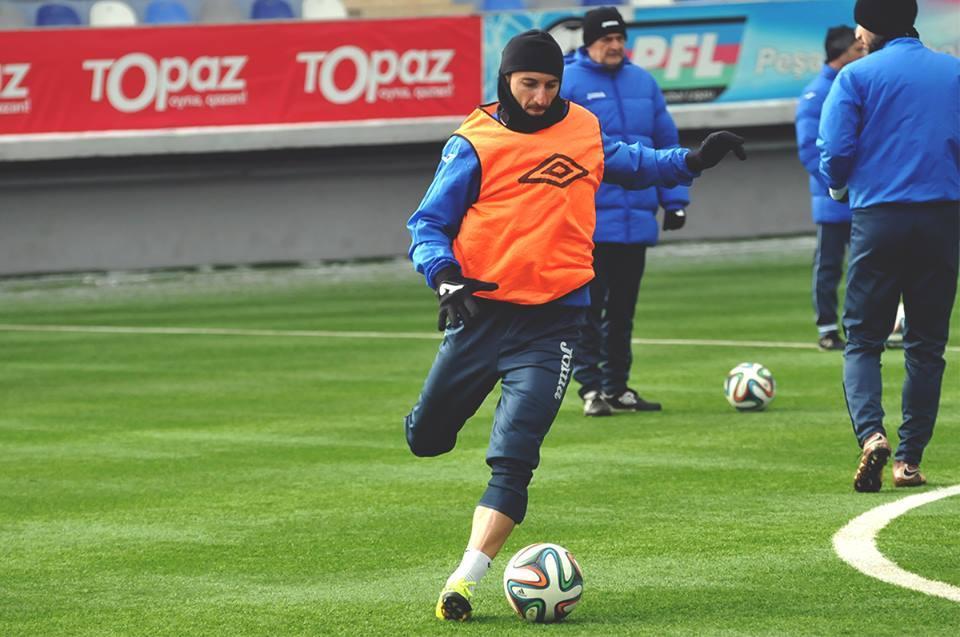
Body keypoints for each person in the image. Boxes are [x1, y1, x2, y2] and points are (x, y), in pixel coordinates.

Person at [404, 30, 746, 621]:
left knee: (515, 459)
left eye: (549, 85)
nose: (540, 98)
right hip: (482, 315)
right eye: (528, 84)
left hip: (556, 322)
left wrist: (690, 161)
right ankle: (438, 426)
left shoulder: (583, 128)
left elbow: (632, 161)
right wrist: (444, 276)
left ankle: (463, 581)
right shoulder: (473, 143)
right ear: (505, 81)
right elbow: (427, 224)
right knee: (427, 439)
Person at [818, 0, 959, 492]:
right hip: (942, 218)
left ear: (873, 26)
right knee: (927, 346)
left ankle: (872, 434)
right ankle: (908, 461)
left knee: (863, 340)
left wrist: (838, 186)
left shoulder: (855, 76)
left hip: (879, 219)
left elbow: (835, 150)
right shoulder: (953, 71)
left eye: (862, 24)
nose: (858, 34)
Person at [561, 6, 688, 416]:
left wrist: (675, 200)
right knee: (588, 310)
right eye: (606, 39)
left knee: (622, 312)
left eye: (619, 38)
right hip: (589, 223)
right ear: (589, 43)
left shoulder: (643, 82)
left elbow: (665, 143)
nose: (615, 45)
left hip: (636, 221)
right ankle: (591, 389)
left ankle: (617, 387)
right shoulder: (569, 83)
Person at [795, 26, 865, 351]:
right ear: (842, 53)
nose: (863, 54)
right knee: (829, 265)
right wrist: (838, 184)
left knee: (869, 266)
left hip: (865, 197)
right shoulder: (816, 94)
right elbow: (810, 150)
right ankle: (827, 329)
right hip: (833, 199)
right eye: (858, 50)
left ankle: (866, 327)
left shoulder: (860, 84)